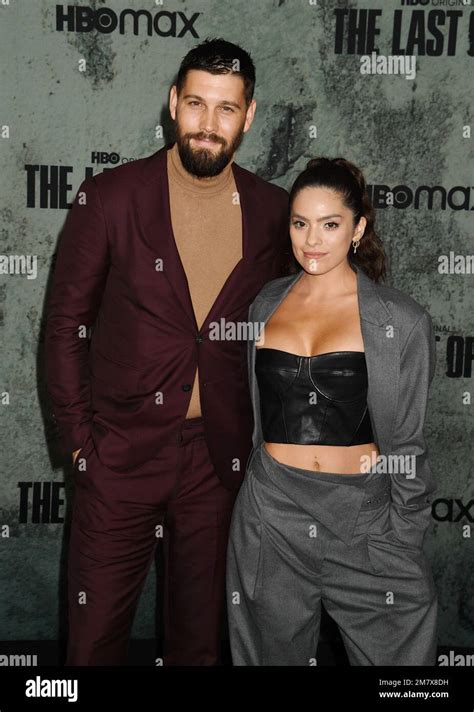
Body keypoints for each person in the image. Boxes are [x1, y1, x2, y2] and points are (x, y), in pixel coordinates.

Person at [44, 38, 290, 666]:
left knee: (201, 646)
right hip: (118, 456)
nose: (209, 125)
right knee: (91, 644)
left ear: (250, 115)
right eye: (197, 104)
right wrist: (79, 443)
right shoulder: (110, 197)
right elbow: (65, 325)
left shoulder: (273, 212)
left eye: (227, 109)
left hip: (218, 463)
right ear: (173, 103)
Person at [226, 157, 439, 665]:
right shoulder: (265, 305)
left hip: (364, 523)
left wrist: (404, 534)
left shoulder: (402, 322)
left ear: (358, 228)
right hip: (271, 516)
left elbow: (406, 444)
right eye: (300, 223)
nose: (312, 240)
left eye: (330, 224)